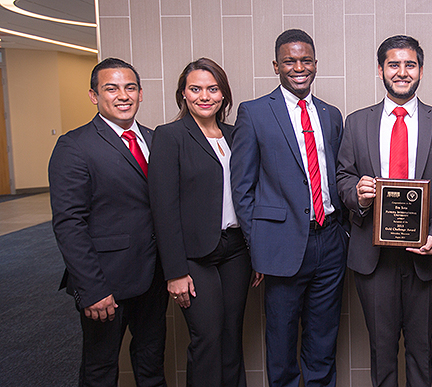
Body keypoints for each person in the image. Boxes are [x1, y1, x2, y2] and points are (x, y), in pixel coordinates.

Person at [336, 35, 432, 387]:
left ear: (421, 70)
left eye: (410, 64)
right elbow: (343, 178)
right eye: (394, 64)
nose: (402, 72)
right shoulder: (357, 122)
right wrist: (358, 195)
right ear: (380, 69)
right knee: (381, 349)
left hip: (425, 255)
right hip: (373, 255)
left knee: (421, 348)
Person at [230, 29, 347, 387]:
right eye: (290, 61)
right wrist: (258, 247)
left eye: (306, 60)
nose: (299, 67)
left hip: (329, 242)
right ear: (276, 65)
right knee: (281, 342)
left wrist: (341, 231)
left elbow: (337, 176)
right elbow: (242, 188)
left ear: (315, 64)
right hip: (280, 246)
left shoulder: (330, 114)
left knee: (323, 339)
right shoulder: (253, 113)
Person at [49, 58, 168, 387]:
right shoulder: (75, 146)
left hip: (153, 278)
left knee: (151, 363)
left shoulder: (156, 139)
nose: (122, 95)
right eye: (111, 88)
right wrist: (92, 289)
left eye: (130, 87)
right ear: (93, 95)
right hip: (105, 284)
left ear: (141, 94)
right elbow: (69, 223)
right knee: (100, 369)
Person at [148, 58, 251, 387]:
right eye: (195, 89)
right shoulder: (169, 136)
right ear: (183, 94)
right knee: (207, 337)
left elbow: (250, 195)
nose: (204, 96)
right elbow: (163, 208)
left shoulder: (237, 136)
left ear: (223, 95)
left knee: (232, 337)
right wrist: (175, 271)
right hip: (194, 256)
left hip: (237, 250)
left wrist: (257, 251)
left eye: (212, 88)